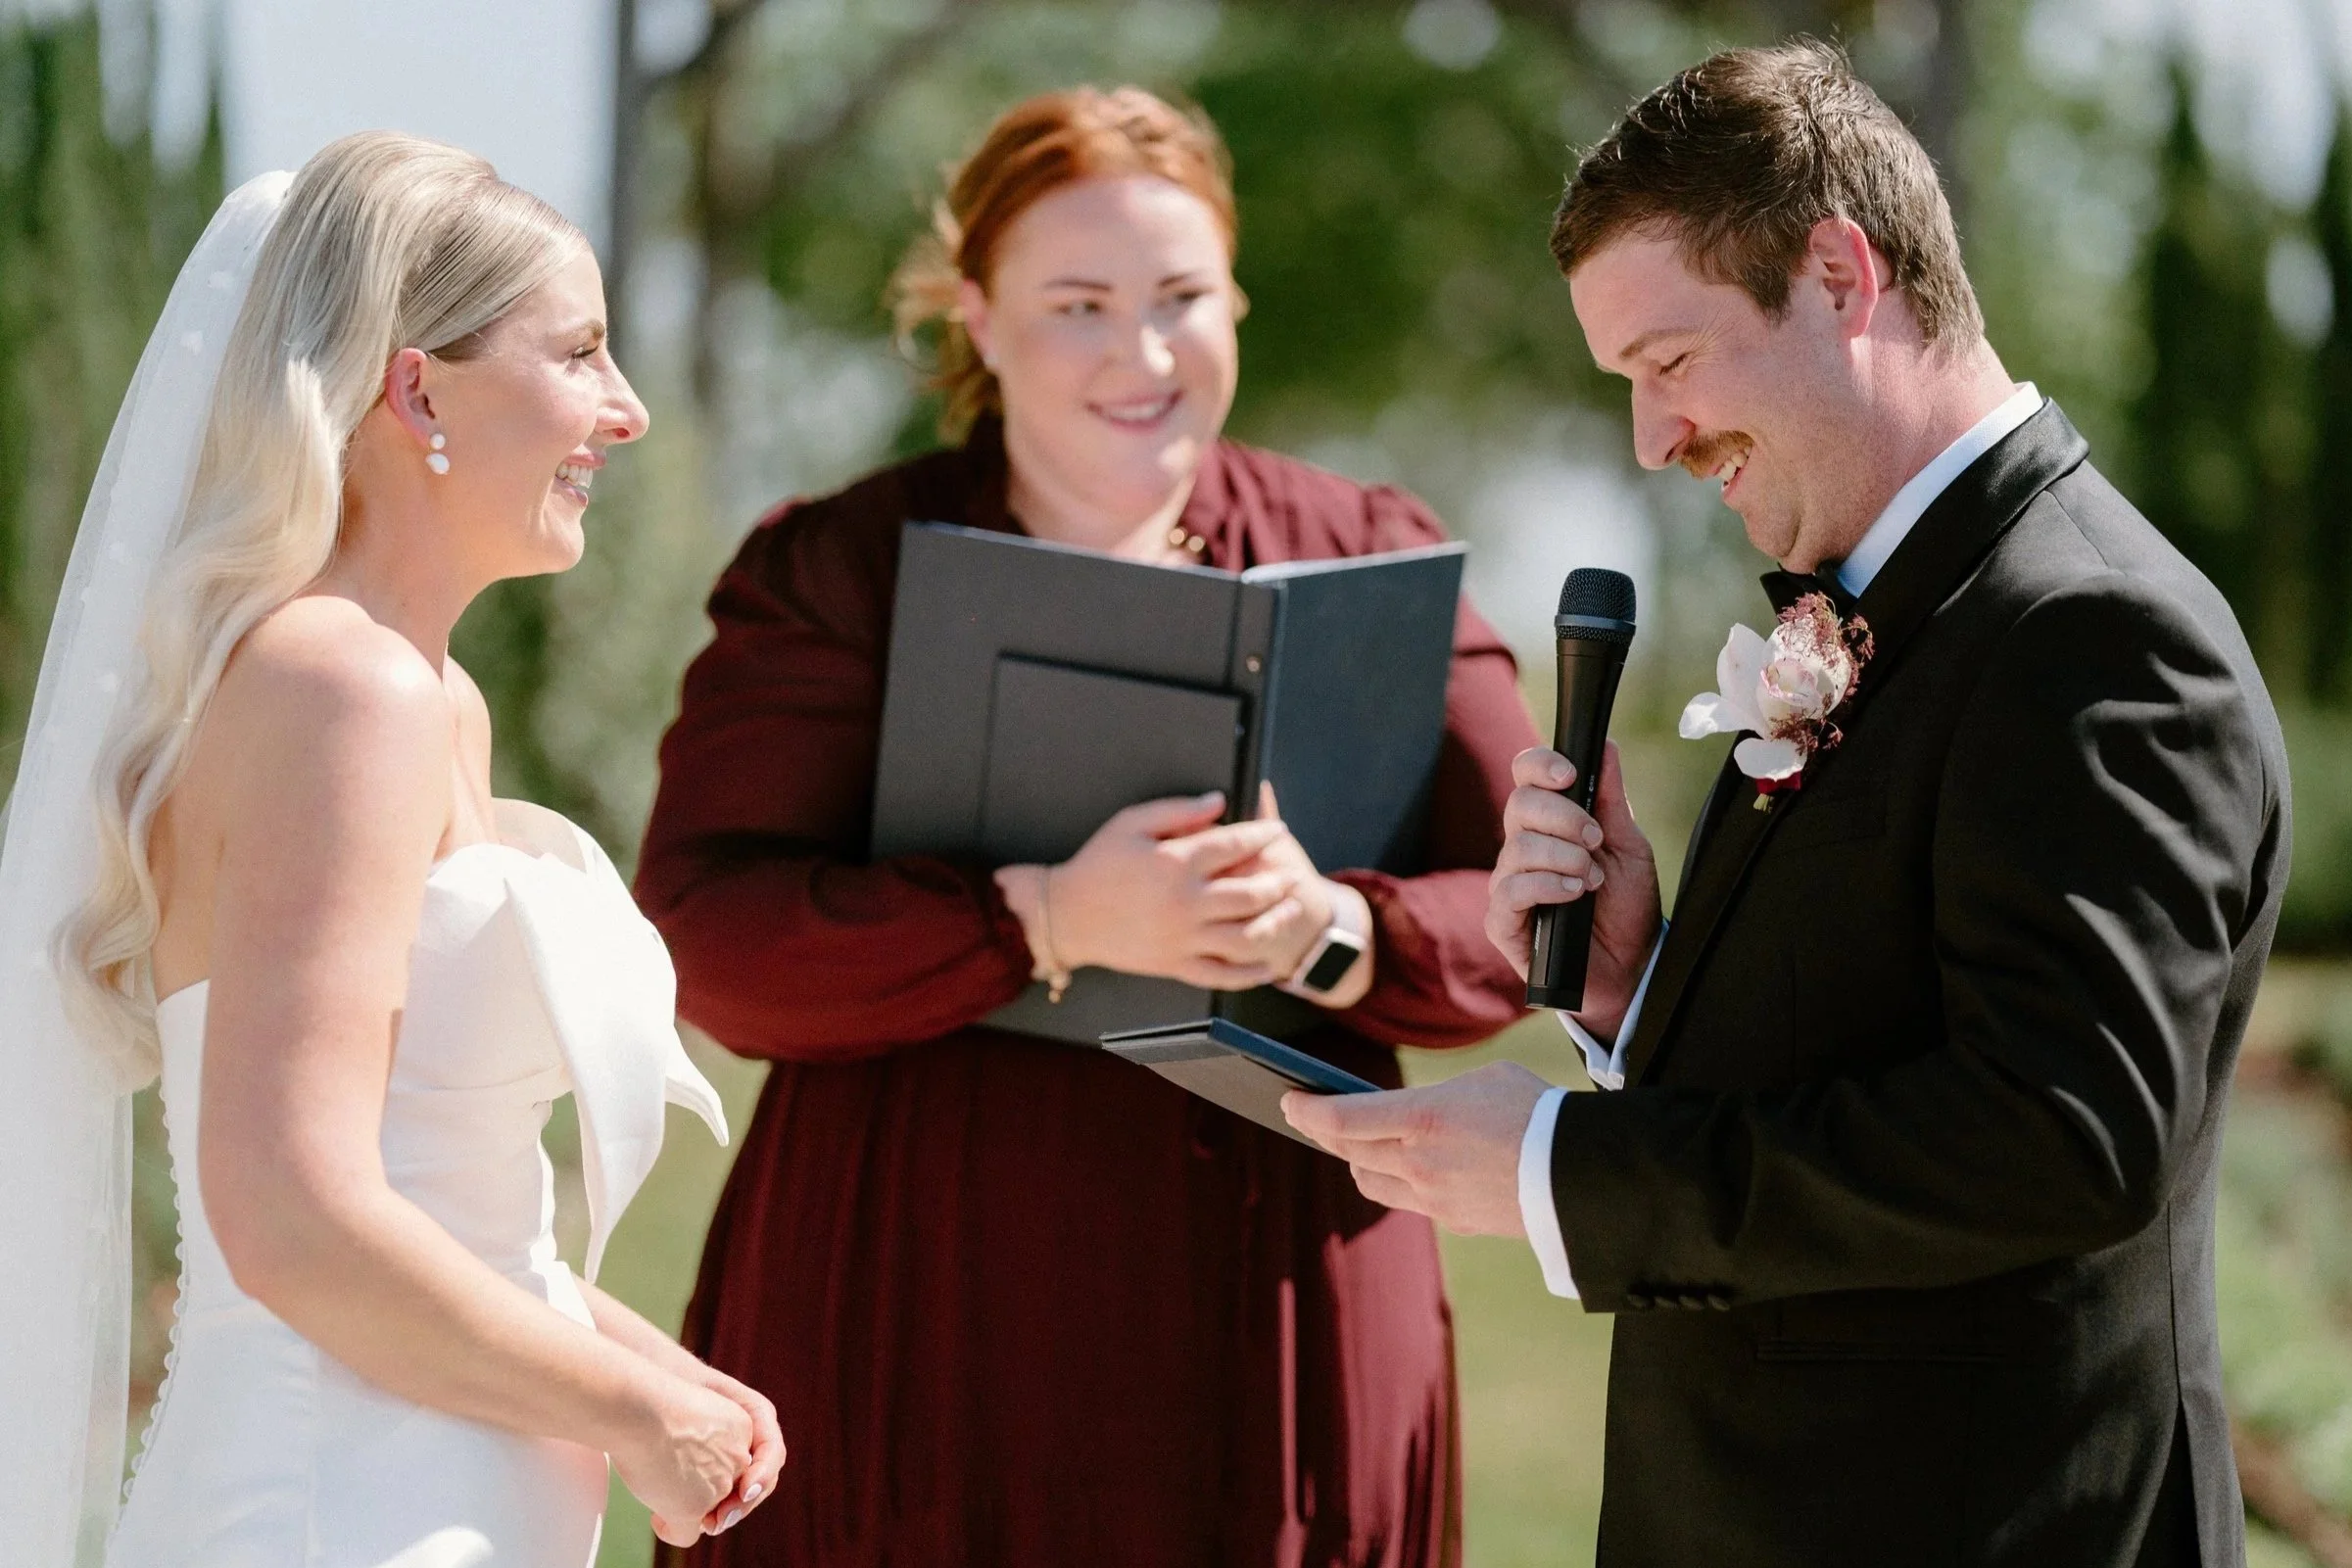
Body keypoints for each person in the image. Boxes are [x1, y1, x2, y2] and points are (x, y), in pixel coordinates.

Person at [1286, 41, 2289, 1568]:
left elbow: (2067, 1132)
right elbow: (1872, 1043)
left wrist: (1571, 1174)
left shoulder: (2090, 632)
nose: (1652, 437)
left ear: (1838, 276)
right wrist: (1635, 990)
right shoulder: (1904, 608)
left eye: (1668, 363)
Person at [634, 86, 1536, 1567]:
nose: (1144, 352)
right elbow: (705, 940)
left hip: (1283, 1299)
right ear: (978, 318)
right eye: (1078, 303)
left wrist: (1330, 928)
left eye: (1184, 296)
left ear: (1236, 297)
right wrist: (1041, 918)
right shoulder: (840, 568)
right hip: (916, 1299)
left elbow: (1530, 913)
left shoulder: (1368, 547)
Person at [0, 134, 785, 1567]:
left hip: (435, 1502)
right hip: (332, 1509)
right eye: (585, 353)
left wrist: (660, 1376)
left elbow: (443, 1206)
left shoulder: (424, 699)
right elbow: (291, 1218)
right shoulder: (340, 691)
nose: (629, 412)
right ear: (417, 384)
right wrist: (629, 1415)